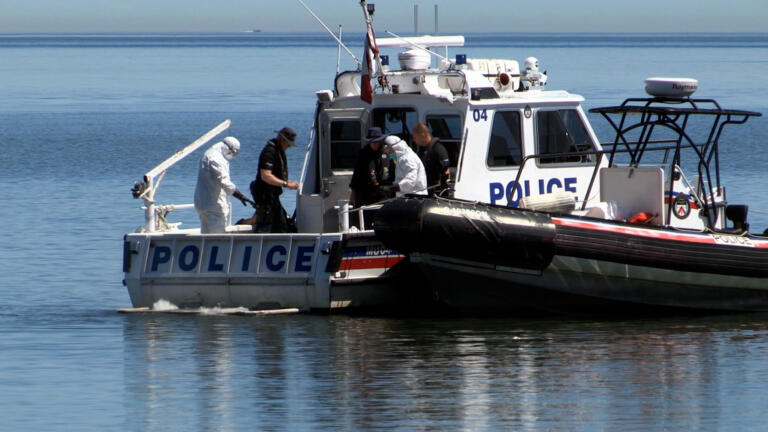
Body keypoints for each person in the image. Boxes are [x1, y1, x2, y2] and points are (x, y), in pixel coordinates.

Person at [194, 136, 254, 234]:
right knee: (216, 237)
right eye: (232, 152)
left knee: (206, 235)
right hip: (213, 206)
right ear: (228, 148)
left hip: (205, 203)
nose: (232, 155)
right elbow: (224, 181)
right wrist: (240, 196)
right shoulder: (215, 158)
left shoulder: (210, 153)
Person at [248, 127, 300, 233]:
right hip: (264, 195)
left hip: (273, 197)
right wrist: (285, 184)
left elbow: (278, 176)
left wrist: (290, 183)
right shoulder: (269, 152)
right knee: (266, 226)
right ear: (282, 139)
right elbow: (266, 176)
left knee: (285, 226)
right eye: (288, 143)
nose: (289, 146)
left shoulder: (279, 152)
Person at [349, 127, 395, 208]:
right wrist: (353, 194)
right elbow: (356, 175)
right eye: (373, 142)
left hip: (383, 194)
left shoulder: (386, 153)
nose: (375, 144)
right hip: (366, 194)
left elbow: (392, 172)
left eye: (377, 142)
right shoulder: (363, 155)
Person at [412, 123, 450, 196]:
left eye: (415, 137)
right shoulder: (421, 151)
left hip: (436, 192)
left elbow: (446, 171)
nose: (413, 140)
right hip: (425, 190)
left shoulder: (438, 149)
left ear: (423, 135)